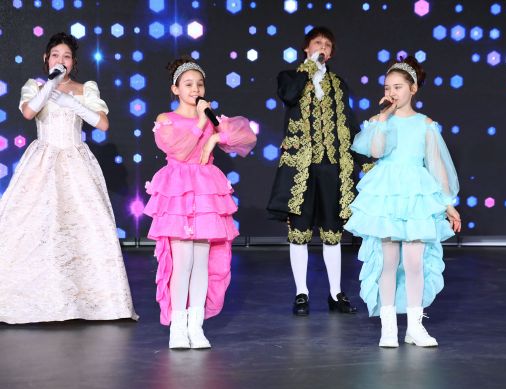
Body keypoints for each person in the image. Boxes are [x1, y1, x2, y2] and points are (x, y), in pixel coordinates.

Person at [0, 32, 137, 323]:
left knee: (84, 226)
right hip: (43, 161)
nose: (60, 60)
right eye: (55, 55)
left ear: (73, 62)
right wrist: (51, 85)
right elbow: (28, 112)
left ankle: (89, 302)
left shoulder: (86, 88)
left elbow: (102, 123)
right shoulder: (34, 86)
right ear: (46, 59)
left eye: (66, 56)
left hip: (75, 160)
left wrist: (72, 101)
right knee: (37, 226)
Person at [344, 57, 460, 348]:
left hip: (416, 196)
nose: (392, 92)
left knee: (414, 263)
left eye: (398, 87)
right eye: (387, 87)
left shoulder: (426, 125)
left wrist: (448, 203)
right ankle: (388, 328)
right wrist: (383, 119)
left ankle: (415, 327)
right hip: (387, 194)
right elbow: (375, 151)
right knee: (388, 261)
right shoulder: (379, 122)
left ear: (413, 88)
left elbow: (436, 166)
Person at [144, 57, 256, 349]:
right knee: (183, 261)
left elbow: (244, 137)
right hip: (178, 192)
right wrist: (201, 125)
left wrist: (214, 139)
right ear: (175, 89)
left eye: (200, 84)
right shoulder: (166, 119)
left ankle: (196, 325)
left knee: (201, 262)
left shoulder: (209, 115)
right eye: (188, 84)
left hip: (205, 192)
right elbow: (179, 151)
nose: (195, 89)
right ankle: (177, 327)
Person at [267, 26, 360, 316]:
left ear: (331, 53)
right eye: (318, 43)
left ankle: (335, 293)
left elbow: (348, 123)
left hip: (332, 166)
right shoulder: (290, 77)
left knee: (333, 232)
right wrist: (308, 69)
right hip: (301, 167)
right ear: (306, 48)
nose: (323, 48)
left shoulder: (339, 84)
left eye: (327, 45)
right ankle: (301, 293)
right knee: (299, 232)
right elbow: (289, 95)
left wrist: (365, 158)